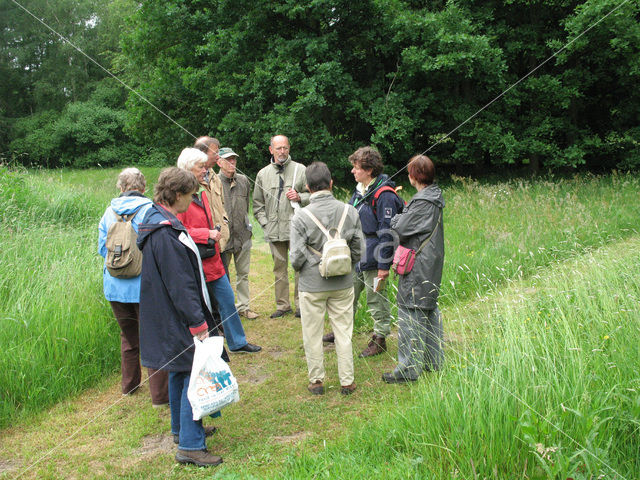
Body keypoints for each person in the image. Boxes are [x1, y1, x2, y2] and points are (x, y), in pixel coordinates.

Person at [137, 167, 224, 467]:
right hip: (176, 316)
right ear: (175, 195)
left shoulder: (159, 221)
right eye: (189, 196)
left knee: (177, 370)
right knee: (192, 374)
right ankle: (190, 445)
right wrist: (198, 323)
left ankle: (180, 430)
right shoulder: (164, 232)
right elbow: (180, 284)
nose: (191, 201)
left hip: (167, 315)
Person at [176, 148, 261, 354]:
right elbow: (177, 229)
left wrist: (216, 229)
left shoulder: (202, 193)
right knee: (201, 308)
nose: (205, 171)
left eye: (206, 167)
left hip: (213, 258)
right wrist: (206, 233)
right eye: (201, 167)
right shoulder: (178, 197)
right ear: (187, 169)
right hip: (194, 263)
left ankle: (237, 342)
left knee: (226, 300)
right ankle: (206, 350)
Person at [290, 162, 363, 395]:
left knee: (312, 334)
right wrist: (343, 265)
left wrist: (316, 266)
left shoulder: (300, 216)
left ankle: (317, 382)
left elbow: (296, 257)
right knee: (344, 332)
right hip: (343, 282)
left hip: (312, 285)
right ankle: (347, 381)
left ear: (308, 188)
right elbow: (359, 250)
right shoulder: (350, 211)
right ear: (331, 184)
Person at [323, 146, 404, 357]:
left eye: (356, 167)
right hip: (357, 254)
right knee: (348, 295)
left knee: (376, 299)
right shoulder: (360, 191)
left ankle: (380, 338)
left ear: (369, 170)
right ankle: (341, 329)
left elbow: (387, 232)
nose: (352, 171)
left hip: (375, 256)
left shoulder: (384, 195)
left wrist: (384, 266)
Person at [97, 167, 169, 406]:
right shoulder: (150, 210)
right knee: (154, 337)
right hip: (144, 286)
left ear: (120, 188)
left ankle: (129, 386)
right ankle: (159, 396)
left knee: (128, 337)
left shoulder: (108, 212)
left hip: (115, 287)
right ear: (144, 187)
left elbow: (101, 249)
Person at [382, 155, 444, 383]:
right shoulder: (434, 197)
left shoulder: (422, 202)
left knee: (410, 313)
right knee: (428, 310)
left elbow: (400, 227)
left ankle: (407, 371)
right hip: (431, 262)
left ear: (413, 176)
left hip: (418, 265)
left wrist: (399, 216)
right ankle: (432, 362)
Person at [253, 135, 309, 318]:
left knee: (301, 267)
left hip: (297, 230)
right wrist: (265, 224)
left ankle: (301, 305)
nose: (282, 151)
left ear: (289, 148)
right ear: (271, 150)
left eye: (285, 148)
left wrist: (300, 197)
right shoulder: (262, 174)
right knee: (279, 269)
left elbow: (315, 196)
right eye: (278, 148)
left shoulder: (301, 170)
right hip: (274, 231)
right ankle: (283, 305)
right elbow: (257, 205)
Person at [217, 147, 258, 319]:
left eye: (234, 159)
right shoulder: (214, 182)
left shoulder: (243, 181)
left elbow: (247, 204)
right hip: (223, 238)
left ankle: (244, 307)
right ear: (219, 162)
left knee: (243, 274)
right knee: (223, 277)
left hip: (242, 235)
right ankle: (225, 310)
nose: (232, 163)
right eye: (228, 160)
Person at [194, 136, 230, 251]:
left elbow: (222, 204)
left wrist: (225, 222)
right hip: (203, 244)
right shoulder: (189, 180)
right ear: (202, 154)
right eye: (215, 153)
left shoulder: (214, 177)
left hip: (220, 242)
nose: (218, 157)